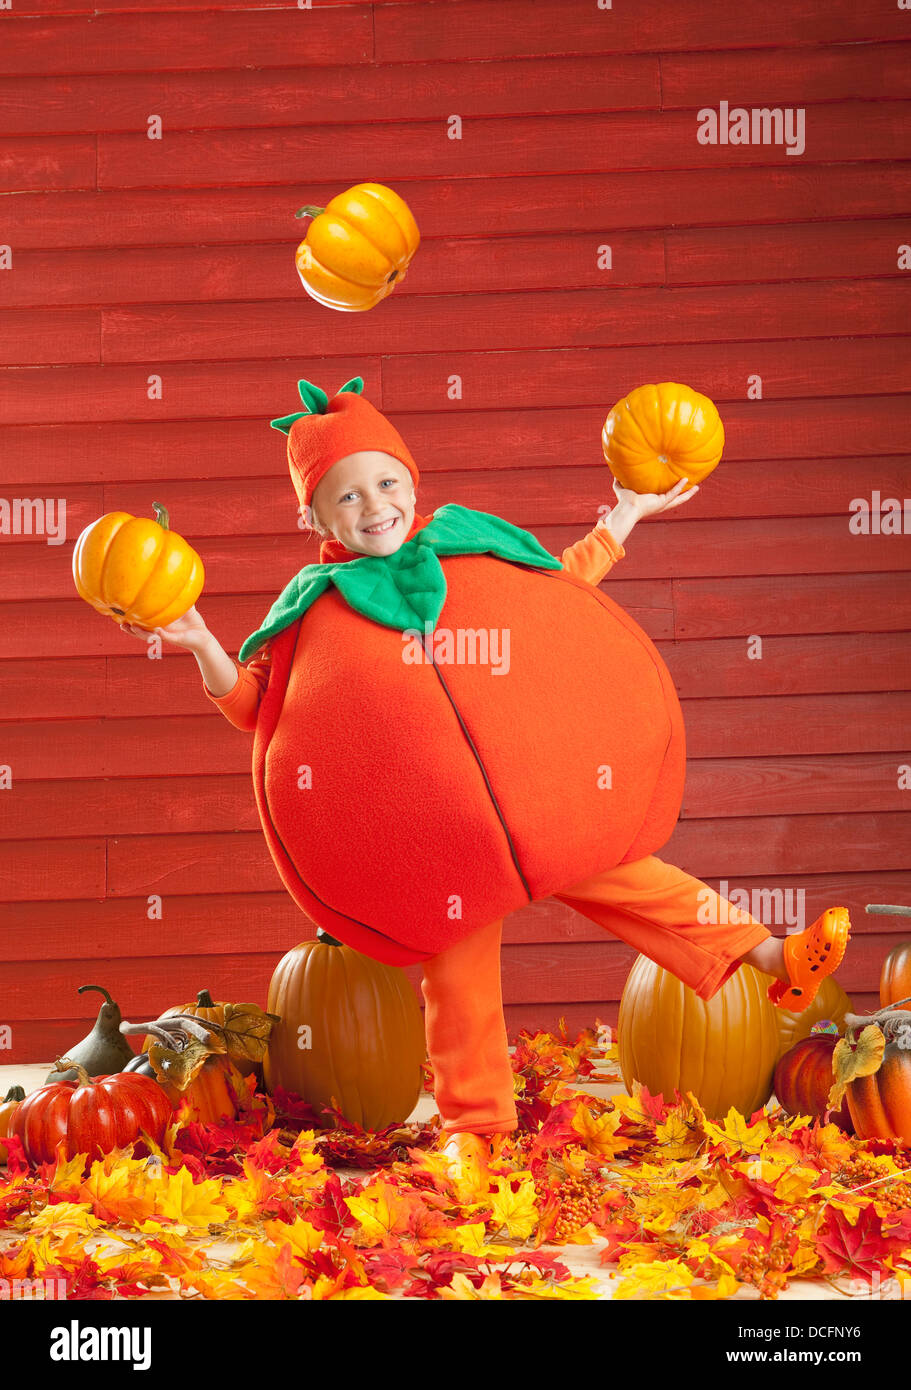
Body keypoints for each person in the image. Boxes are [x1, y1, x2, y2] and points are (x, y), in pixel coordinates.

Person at [119, 378, 851, 1164]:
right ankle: (477, 1134)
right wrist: (200, 642)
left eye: (386, 482)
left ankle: (772, 957)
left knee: (632, 876)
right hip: (439, 843)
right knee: (459, 984)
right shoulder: (309, 610)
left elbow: (560, 595)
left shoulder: (471, 546)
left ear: (412, 482)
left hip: (536, 800)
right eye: (346, 496)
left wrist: (625, 515)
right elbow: (255, 709)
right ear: (312, 517)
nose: (374, 507)